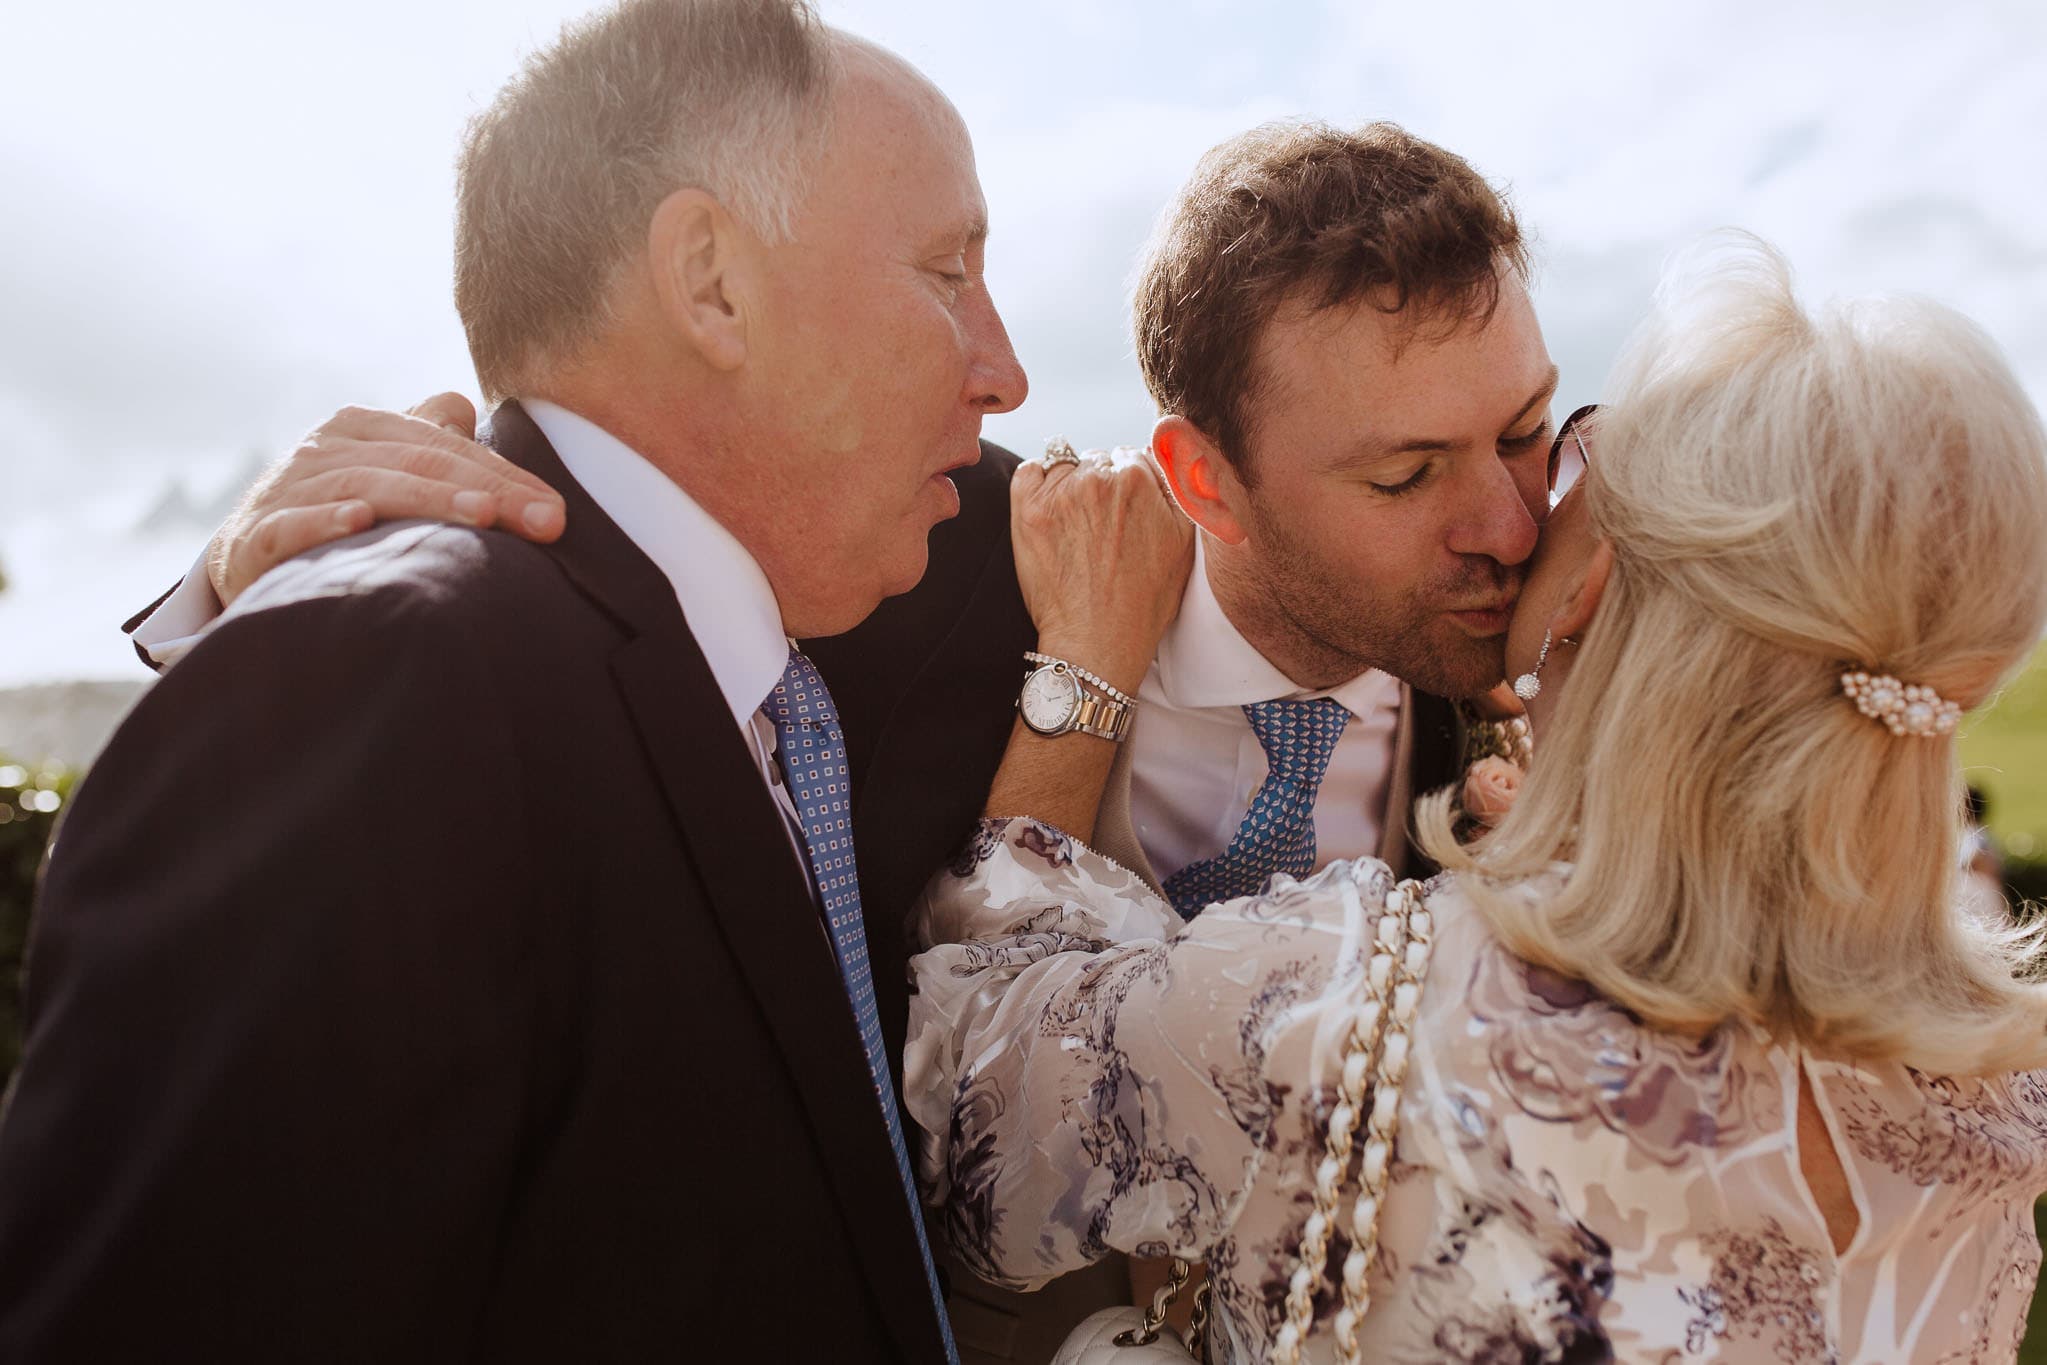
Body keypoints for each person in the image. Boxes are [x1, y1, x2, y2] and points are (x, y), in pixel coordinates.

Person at [122, 121, 1553, 1360]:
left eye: (1525, 431)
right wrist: (253, 586)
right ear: (1201, 481)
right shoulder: (897, 549)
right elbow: (592, 553)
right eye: (1402, 474)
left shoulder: (1556, 617)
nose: (1501, 522)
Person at [0, 3, 1027, 1359]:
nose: (1002, 371)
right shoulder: (378, 686)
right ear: (710, 281)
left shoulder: (781, 638)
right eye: (947, 271)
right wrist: (268, 635)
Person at [906, 237, 2047, 1362]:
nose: (1511, 524)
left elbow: (978, 1114)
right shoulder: (2006, 1088)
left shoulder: (1363, 1010)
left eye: (1555, 448)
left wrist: (1085, 673)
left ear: (1598, 586)